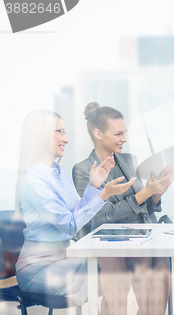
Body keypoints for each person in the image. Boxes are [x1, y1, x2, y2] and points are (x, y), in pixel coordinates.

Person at [15, 109, 134, 306]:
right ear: (41, 134)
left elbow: (75, 212)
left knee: (118, 270)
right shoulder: (33, 180)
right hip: (39, 271)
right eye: (60, 132)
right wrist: (103, 194)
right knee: (115, 275)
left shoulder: (58, 172)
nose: (66, 139)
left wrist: (94, 187)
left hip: (65, 259)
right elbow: (69, 225)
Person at [72, 103, 174, 315]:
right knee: (118, 272)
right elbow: (103, 215)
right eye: (118, 133)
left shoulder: (129, 159)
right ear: (98, 134)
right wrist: (145, 193)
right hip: (110, 243)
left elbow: (146, 209)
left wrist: (156, 193)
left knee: (162, 267)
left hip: (143, 238)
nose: (124, 139)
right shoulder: (83, 170)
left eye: (124, 133)